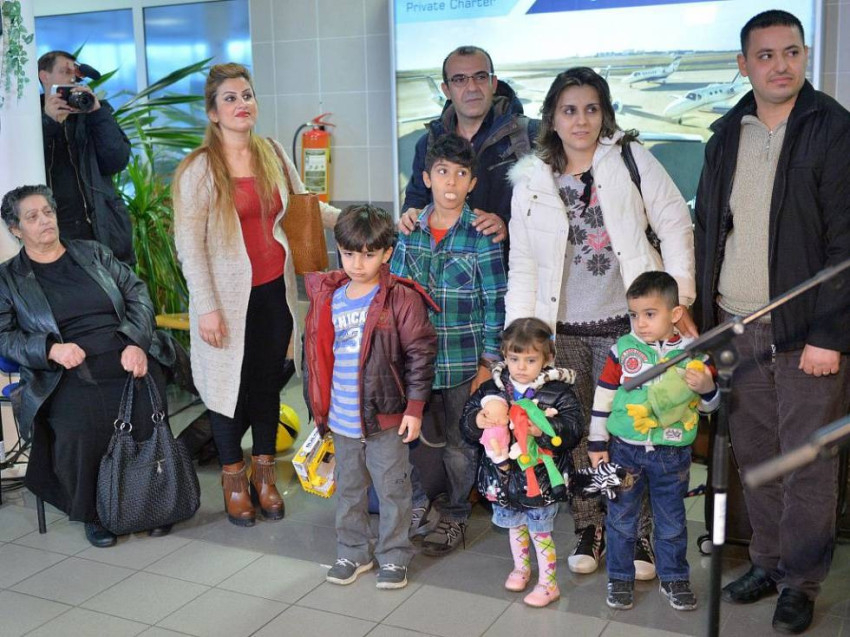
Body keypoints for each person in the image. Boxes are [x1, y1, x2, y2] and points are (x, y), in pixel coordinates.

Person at [694, 10, 850, 634]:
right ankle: (767, 561)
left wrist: (829, 335)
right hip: (737, 326)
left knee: (806, 463)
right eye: (766, 55)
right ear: (744, 65)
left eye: (792, 52)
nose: (781, 65)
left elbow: (846, 244)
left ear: (805, 55)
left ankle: (800, 583)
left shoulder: (833, 130)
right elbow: (710, 231)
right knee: (756, 455)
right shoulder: (725, 134)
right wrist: (706, 323)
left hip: (806, 334)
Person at [506, 66, 696, 577]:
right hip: (561, 332)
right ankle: (591, 526)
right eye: (569, 110)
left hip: (627, 328)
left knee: (630, 433)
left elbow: (675, 222)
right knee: (573, 437)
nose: (581, 120)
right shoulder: (531, 179)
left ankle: (637, 534)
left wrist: (678, 302)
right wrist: (520, 338)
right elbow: (522, 262)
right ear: (551, 118)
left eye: (591, 109)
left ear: (605, 113)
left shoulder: (630, 159)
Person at [173, 63, 339, 528]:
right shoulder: (199, 169)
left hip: (272, 295)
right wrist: (207, 308)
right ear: (213, 112)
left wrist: (356, 220)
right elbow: (189, 246)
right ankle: (233, 479)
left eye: (247, 95)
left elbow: (307, 208)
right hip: (223, 303)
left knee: (267, 385)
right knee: (227, 390)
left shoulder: (271, 153)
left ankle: (264, 476)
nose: (241, 104)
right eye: (229, 98)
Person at [0, 185, 172, 547]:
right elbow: (4, 336)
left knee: (146, 405)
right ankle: (97, 512)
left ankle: (151, 503)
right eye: (32, 216)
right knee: (81, 422)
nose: (45, 220)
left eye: (48, 211)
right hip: (63, 370)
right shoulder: (7, 279)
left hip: (123, 351)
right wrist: (50, 349)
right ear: (15, 229)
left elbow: (137, 294)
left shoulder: (93, 253)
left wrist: (135, 341)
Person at [303, 204, 437, 590]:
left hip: (386, 417)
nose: (357, 264)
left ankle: (394, 555)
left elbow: (421, 353)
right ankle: (353, 551)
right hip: (342, 418)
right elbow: (317, 357)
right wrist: (319, 408)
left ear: (387, 253)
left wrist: (414, 408)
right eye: (348, 254)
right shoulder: (329, 297)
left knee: (393, 488)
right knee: (348, 489)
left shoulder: (401, 298)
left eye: (368, 254)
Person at [390, 133, 507, 556]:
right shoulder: (410, 232)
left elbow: (496, 302)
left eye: (460, 174)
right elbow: (394, 294)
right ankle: (421, 503)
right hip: (415, 362)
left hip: (463, 362)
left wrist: (488, 362)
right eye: (442, 172)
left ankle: (456, 513)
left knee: (461, 444)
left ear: (472, 183)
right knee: (413, 440)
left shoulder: (481, 235)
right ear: (427, 178)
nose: (451, 182)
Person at [587, 271, 719, 611]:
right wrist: (597, 443)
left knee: (672, 521)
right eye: (634, 314)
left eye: (650, 314)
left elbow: (709, 406)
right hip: (624, 451)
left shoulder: (695, 355)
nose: (640, 323)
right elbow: (603, 397)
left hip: (672, 454)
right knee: (620, 519)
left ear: (675, 314)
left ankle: (674, 578)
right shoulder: (621, 350)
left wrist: (707, 388)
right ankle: (620, 578)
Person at [461, 317, 583, 608]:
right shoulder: (491, 389)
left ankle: (549, 583)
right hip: (502, 477)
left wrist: (545, 430)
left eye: (531, 360)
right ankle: (521, 568)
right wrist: (477, 420)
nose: (521, 367)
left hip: (540, 480)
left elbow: (574, 429)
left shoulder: (558, 392)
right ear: (504, 355)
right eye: (514, 359)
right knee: (514, 526)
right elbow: (466, 421)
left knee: (540, 530)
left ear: (547, 358)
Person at [399, 45, 538, 244]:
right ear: (446, 90)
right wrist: (411, 214)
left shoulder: (530, 135)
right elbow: (415, 199)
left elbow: (549, 209)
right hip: (445, 261)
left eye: (480, 77)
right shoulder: (429, 143)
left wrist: (507, 224)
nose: (472, 87)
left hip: (508, 260)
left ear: (493, 83)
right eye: (459, 79)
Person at [37, 51, 135, 264]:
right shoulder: (30, 116)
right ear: (44, 76)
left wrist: (97, 113)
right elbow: (27, 167)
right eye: (64, 72)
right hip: (58, 235)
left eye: (75, 74)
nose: (71, 78)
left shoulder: (94, 112)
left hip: (105, 233)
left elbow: (117, 160)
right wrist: (49, 122)